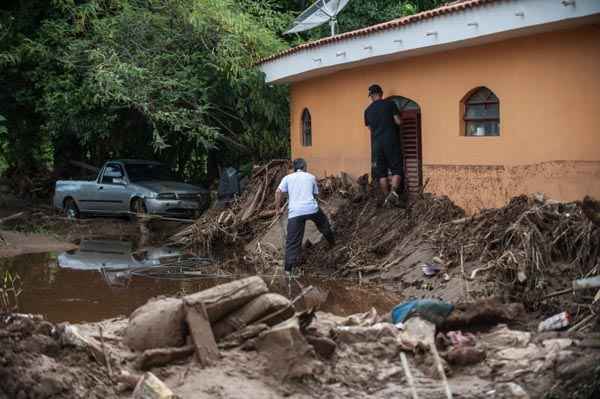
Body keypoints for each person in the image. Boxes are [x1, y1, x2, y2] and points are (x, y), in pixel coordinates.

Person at [275, 158, 335, 273]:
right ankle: (332, 243)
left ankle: (288, 271)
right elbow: (316, 195)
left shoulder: (287, 178)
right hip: (311, 208)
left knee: (292, 242)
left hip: (295, 213)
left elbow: (278, 192)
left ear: (295, 168)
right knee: (324, 225)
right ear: (304, 167)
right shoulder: (311, 177)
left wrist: (277, 209)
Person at [364, 84, 405, 207]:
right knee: (397, 169)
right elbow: (398, 121)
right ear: (381, 93)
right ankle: (393, 194)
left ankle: (387, 198)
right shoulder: (390, 104)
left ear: (371, 95)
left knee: (381, 173)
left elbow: (370, 129)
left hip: (376, 144)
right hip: (391, 142)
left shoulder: (367, 111)